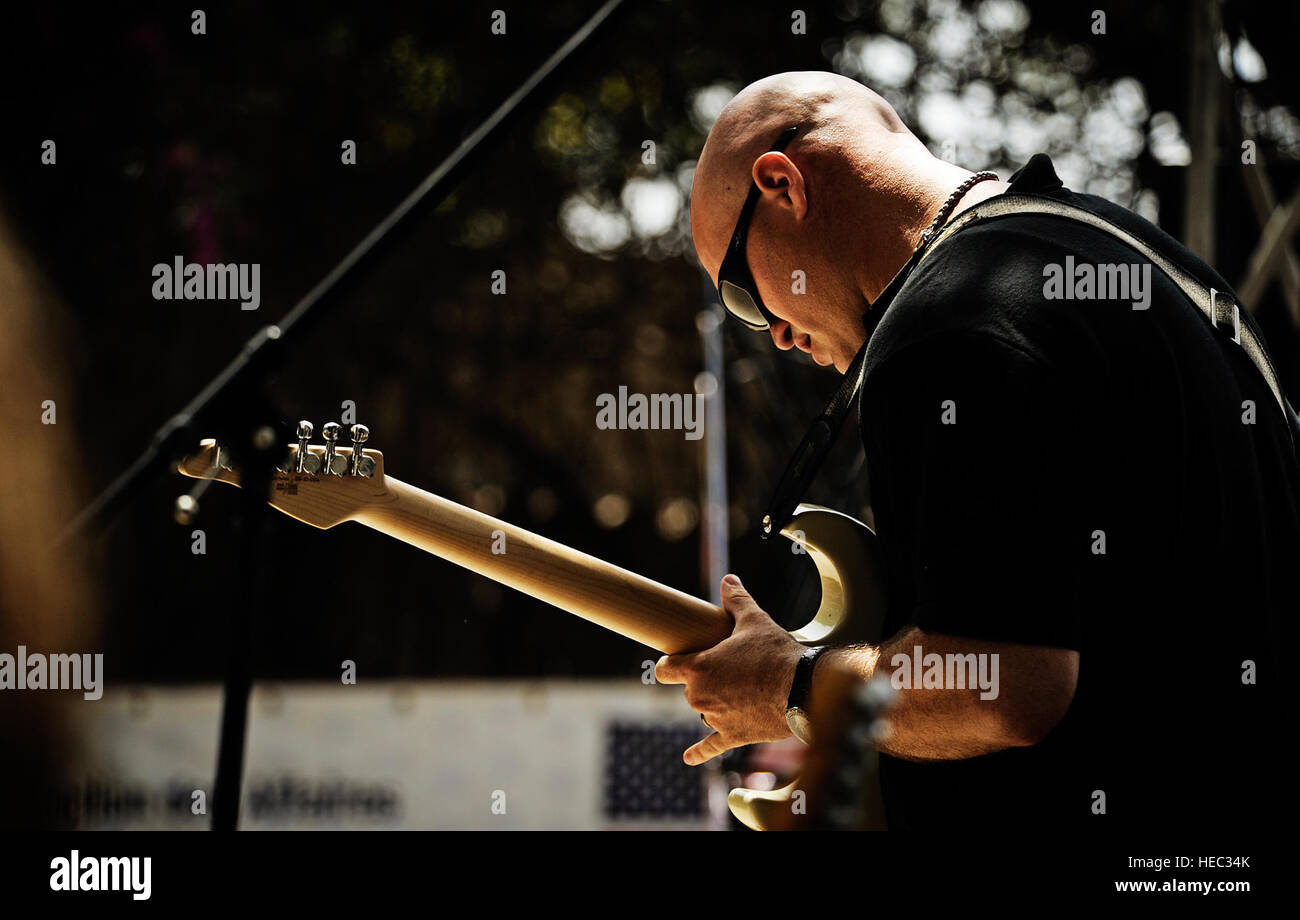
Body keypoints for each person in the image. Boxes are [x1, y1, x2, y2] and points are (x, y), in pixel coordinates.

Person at [658, 71, 1299, 826]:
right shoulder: (1143, 262)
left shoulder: (950, 329)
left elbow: (1003, 685)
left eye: (741, 293)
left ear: (782, 185)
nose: (775, 333)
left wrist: (792, 687)